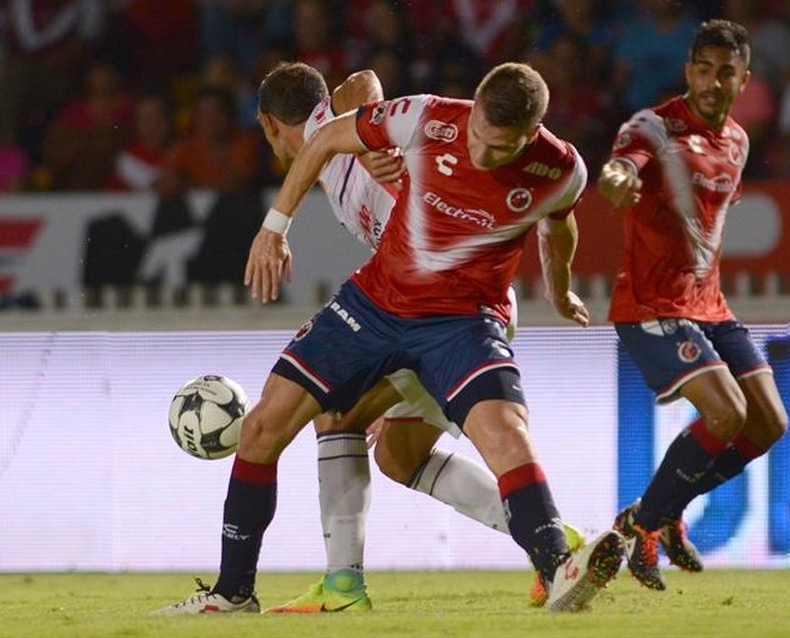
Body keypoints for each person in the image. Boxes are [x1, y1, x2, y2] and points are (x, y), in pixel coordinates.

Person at [156, 62, 624, 616]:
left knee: (485, 429)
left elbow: (560, 222)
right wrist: (275, 227)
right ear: (471, 106)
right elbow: (349, 102)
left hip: (462, 318)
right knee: (309, 435)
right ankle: (235, 593)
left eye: (499, 150)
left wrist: (561, 287)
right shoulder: (428, 118)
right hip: (377, 303)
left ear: (529, 136)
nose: (481, 153)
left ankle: (550, 560)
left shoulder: (561, 169)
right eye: (477, 134)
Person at [597, 19, 789, 591]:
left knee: (769, 423)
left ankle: (660, 508)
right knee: (725, 414)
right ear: (688, 71)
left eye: (725, 72)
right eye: (703, 69)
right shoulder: (652, 127)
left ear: (743, 79)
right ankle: (645, 528)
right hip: (650, 303)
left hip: (708, 302)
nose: (712, 81)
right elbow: (619, 169)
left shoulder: (739, 140)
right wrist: (616, 180)